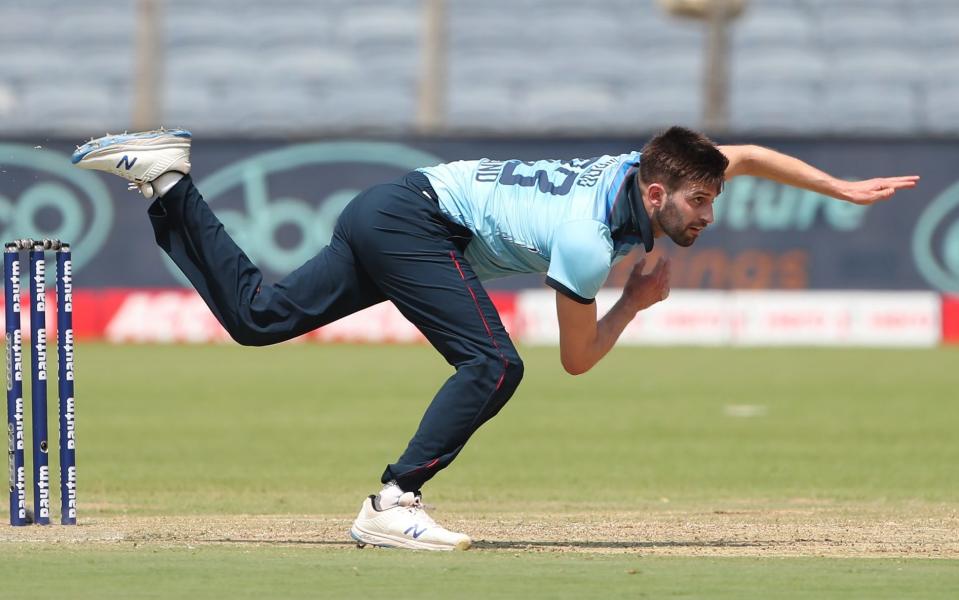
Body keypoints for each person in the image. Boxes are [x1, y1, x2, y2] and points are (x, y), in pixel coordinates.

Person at [72, 127, 917, 551]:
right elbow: (578, 360)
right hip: (414, 222)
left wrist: (840, 187)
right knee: (493, 362)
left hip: (393, 208)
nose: (710, 213)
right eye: (699, 204)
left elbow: (751, 156)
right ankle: (391, 505)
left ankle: (170, 183)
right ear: (657, 192)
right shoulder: (589, 237)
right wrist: (636, 306)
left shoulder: (648, 169)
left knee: (258, 320)